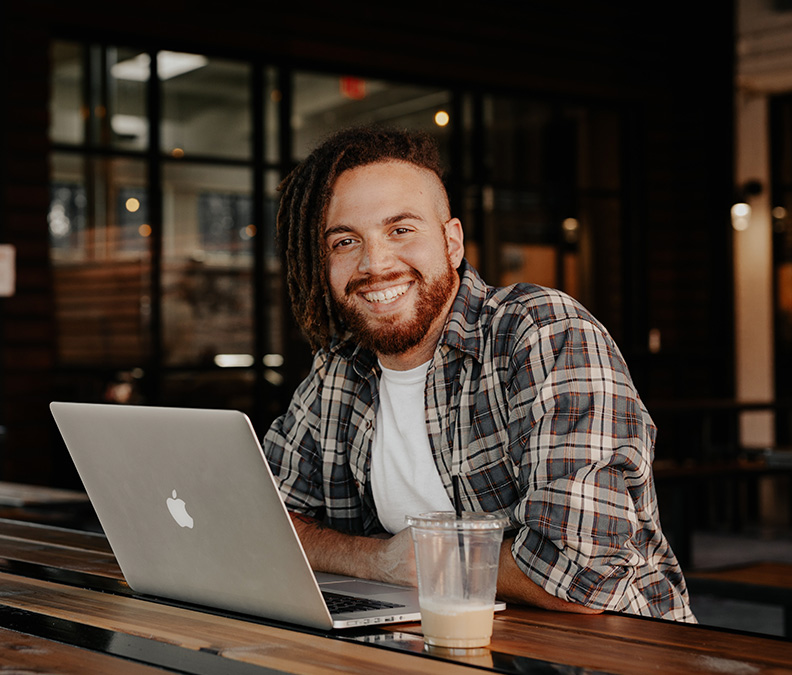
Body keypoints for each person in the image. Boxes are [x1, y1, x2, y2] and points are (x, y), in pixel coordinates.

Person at [263, 125, 694, 622]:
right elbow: (266, 518)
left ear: (452, 242)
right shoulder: (340, 370)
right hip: (434, 647)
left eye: (401, 230)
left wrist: (430, 561)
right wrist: (378, 561)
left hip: (607, 652)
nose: (375, 263)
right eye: (344, 241)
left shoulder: (542, 332)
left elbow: (581, 575)